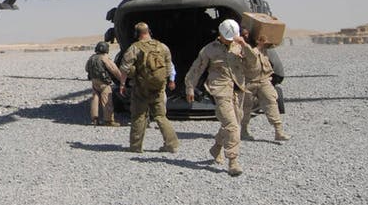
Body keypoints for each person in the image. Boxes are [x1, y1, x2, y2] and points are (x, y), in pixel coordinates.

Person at [185, 19, 249, 176]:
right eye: (228, 37)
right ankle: (233, 161)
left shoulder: (240, 46)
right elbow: (197, 68)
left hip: (238, 90)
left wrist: (245, 46)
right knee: (232, 126)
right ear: (220, 34)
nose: (231, 40)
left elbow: (253, 63)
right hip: (220, 91)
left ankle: (216, 148)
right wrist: (189, 87)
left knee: (234, 122)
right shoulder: (209, 50)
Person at [119, 22, 180, 153]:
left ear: (136, 34)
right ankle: (172, 145)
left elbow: (124, 68)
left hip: (141, 88)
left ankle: (136, 146)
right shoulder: (162, 47)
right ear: (149, 31)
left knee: (139, 116)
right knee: (161, 116)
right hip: (158, 88)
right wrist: (170, 81)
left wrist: (122, 84)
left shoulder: (135, 48)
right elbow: (169, 66)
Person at [241, 29, 291, 142]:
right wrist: (259, 46)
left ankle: (279, 131)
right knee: (245, 107)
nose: (246, 36)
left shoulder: (260, 44)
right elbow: (251, 55)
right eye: (243, 35)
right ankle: (243, 131)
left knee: (271, 103)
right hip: (249, 81)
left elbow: (272, 44)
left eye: (247, 34)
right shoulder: (240, 47)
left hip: (264, 80)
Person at [85, 41, 123, 126]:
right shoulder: (105, 58)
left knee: (95, 99)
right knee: (107, 100)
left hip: (94, 82)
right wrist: (122, 79)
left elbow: (87, 68)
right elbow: (114, 70)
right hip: (104, 83)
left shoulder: (92, 58)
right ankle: (108, 120)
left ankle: (95, 119)